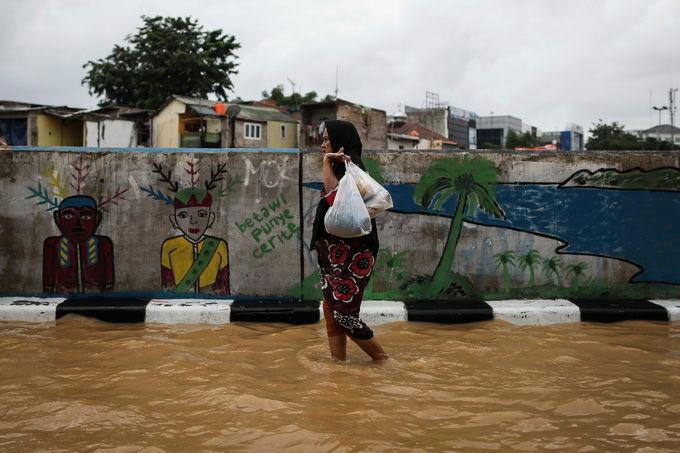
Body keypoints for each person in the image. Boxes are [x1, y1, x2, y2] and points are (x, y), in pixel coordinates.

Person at [310, 120, 389, 361]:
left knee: (345, 315)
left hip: (354, 253)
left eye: (327, 139)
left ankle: (384, 361)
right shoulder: (340, 166)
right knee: (331, 310)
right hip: (332, 251)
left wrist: (326, 163)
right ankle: (338, 366)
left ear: (340, 142)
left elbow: (334, 199)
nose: (323, 144)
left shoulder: (351, 167)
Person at [161, 188, 230, 294]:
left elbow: (223, 285)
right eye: (183, 215)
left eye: (202, 214)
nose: (193, 221)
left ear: (210, 218)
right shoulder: (169, 246)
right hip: (179, 304)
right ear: (174, 220)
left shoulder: (220, 246)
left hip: (211, 303)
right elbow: (167, 285)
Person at [43, 195, 114, 293]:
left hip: (96, 301)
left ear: (97, 218)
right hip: (63, 299)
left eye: (85, 217)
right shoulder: (52, 245)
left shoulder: (103, 244)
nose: (78, 224)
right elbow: (48, 283)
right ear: (57, 218)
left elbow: (108, 281)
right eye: (68, 216)